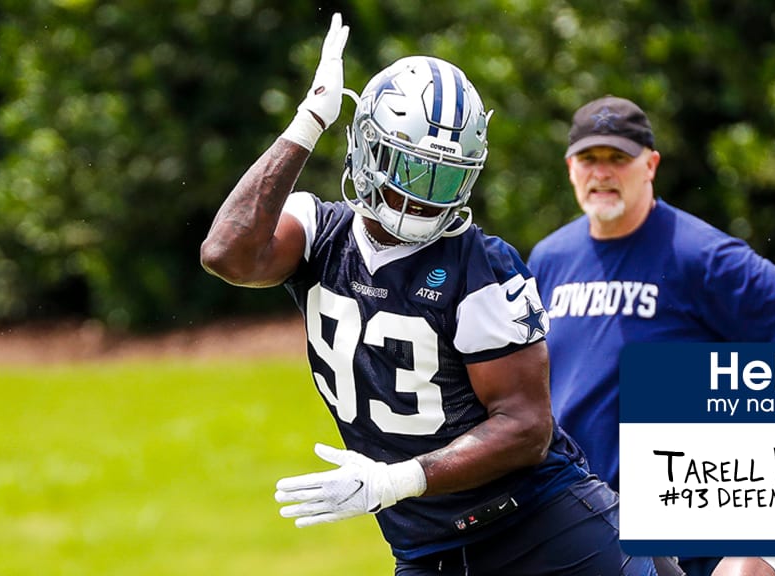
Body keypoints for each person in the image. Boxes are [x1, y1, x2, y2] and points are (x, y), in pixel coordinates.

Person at [200, 15, 655, 576]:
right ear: (368, 149)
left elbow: (525, 428)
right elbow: (227, 254)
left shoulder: (480, 264)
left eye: (444, 178)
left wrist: (396, 479)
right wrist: (308, 123)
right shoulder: (320, 232)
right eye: (411, 169)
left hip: (543, 523)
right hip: (426, 548)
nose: (423, 199)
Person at [527, 95, 775, 576]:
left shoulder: (702, 256)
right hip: (580, 531)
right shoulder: (548, 259)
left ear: (651, 165)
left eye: (618, 158)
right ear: (569, 167)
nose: (602, 173)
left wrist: (761, 537)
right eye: (589, 158)